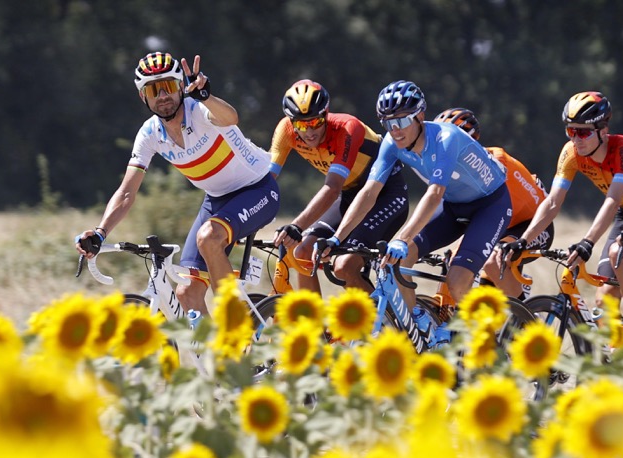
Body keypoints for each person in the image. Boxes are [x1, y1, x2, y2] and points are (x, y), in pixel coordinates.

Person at [74, 52, 279, 315]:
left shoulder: (200, 110)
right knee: (186, 293)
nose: (163, 96)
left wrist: (207, 96)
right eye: (153, 90)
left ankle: (234, 326)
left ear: (181, 86)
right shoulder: (149, 134)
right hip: (216, 200)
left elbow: (230, 118)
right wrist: (101, 232)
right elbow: (126, 192)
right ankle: (216, 356)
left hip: (257, 189)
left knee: (208, 238)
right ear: (143, 96)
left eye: (169, 86)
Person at [316, 81, 511, 333]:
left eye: (400, 121)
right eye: (387, 123)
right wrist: (336, 238)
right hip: (453, 206)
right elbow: (368, 193)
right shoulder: (391, 143)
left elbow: (434, 193)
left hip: (490, 205)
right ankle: (415, 330)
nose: (394, 130)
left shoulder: (445, 138)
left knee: (457, 281)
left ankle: (489, 343)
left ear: (420, 116)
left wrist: (403, 238)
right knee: (399, 260)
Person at [504, 91, 623, 315]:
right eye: (571, 131)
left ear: (603, 130)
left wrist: (587, 242)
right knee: (604, 302)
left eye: (583, 132)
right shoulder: (571, 153)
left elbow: (612, 199)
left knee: (621, 253)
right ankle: (621, 345)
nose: (576, 139)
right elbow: (552, 203)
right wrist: (523, 240)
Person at [267, 80, 408, 295]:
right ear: (292, 122)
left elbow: (332, 188)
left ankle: (383, 322)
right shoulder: (286, 130)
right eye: (302, 125)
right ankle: (314, 325)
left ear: (326, 115)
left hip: (385, 194)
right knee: (302, 251)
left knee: (344, 266)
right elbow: (267, 178)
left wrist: (296, 225)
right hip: (350, 194)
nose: (309, 132)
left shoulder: (347, 128)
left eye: (315, 122)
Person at [431, 107, 551, 300]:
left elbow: (492, 213)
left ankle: (527, 319)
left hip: (533, 226)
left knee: (492, 262)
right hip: (502, 227)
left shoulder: (496, 162)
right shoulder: (452, 169)